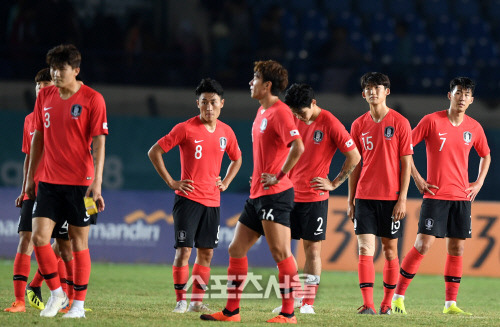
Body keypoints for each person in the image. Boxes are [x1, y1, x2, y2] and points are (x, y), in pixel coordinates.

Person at [200, 60, 305, 324]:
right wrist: (260, 175)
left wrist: (279, 175)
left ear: (267, 85)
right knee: (236, 249)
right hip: (257, 194)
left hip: (276, 194)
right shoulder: (261, 112)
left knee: (281, 253)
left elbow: (298, 147)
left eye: (255, 77)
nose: (250, 82)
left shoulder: (280, 112)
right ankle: (231, 311)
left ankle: (289, 314)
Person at [392, 77, 491, 315]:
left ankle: (450, 305)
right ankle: (397, 297)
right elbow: (405, 148)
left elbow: (486, 155)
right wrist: (417, 177)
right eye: (458, 93)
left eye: (467, 94)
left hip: (461, 197)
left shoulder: (475, 127)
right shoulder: (431, 121)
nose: (462, 98)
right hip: (435, 195)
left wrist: (478, 183)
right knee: (423, 245)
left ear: (472, 100)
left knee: (456, 249)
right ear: (450, 95)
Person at [25, 44, 108, 318]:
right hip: (48, 181)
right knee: (39, 238)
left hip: (80, 184)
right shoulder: (44, 96)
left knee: (77, 243)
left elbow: (99, 143)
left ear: (76, 70)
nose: (56, 74)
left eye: (61, 69)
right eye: (53, 68)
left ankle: (79, 306)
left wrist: (96, 183)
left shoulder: (93, 99)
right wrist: (30, 180)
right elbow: (37, 138)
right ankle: (57, 293)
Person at [148, 78, 242, 313]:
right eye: (204, 102)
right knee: (184, 251)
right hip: (188, 199)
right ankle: (181, 300)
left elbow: (237, 158)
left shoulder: (226, 132)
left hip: (213, 201)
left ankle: (196, 302)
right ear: (197, 104)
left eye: (213, 102)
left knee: (207, 253)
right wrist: (171, 181)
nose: (208, 107)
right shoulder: (185, 128)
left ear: (222, 103)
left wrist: (226, 181)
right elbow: (154, 151)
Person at [270, 83, 360, 314]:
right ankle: (291, 300)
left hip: (314, 197)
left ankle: (308, 302)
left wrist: (335, 183)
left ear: (313, 103)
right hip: (288, 194)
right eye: (294, 112)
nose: (298, 116)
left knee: (312, 250)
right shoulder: (291, 120)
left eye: (301, 111)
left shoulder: (329, 122)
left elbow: (354, 156)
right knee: (283, 249)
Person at [4, 68, 74, 314]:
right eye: (38, 88)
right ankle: (20, 301)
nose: (41, 91)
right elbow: (28, 157)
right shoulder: (29, 120)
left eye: (46, 87)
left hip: (61, 187)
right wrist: (25, 188)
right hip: (35, 188)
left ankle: (57, 296)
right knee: (26, 239)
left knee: (63, 244)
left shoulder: (66, 113)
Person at [348, 72, 412, 315]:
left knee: (389, 250)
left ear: (387, 91)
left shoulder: (400, 123)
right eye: (368, 88)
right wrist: (351, 199)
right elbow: (354, 165)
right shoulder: (357, 125)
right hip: (364, 197)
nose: (373, 92)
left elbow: (406, 164)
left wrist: (402, 198)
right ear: (363, 93)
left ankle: (386, 303)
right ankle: (368, 304)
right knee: (365, 248)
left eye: (378, 87)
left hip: (391, 198)